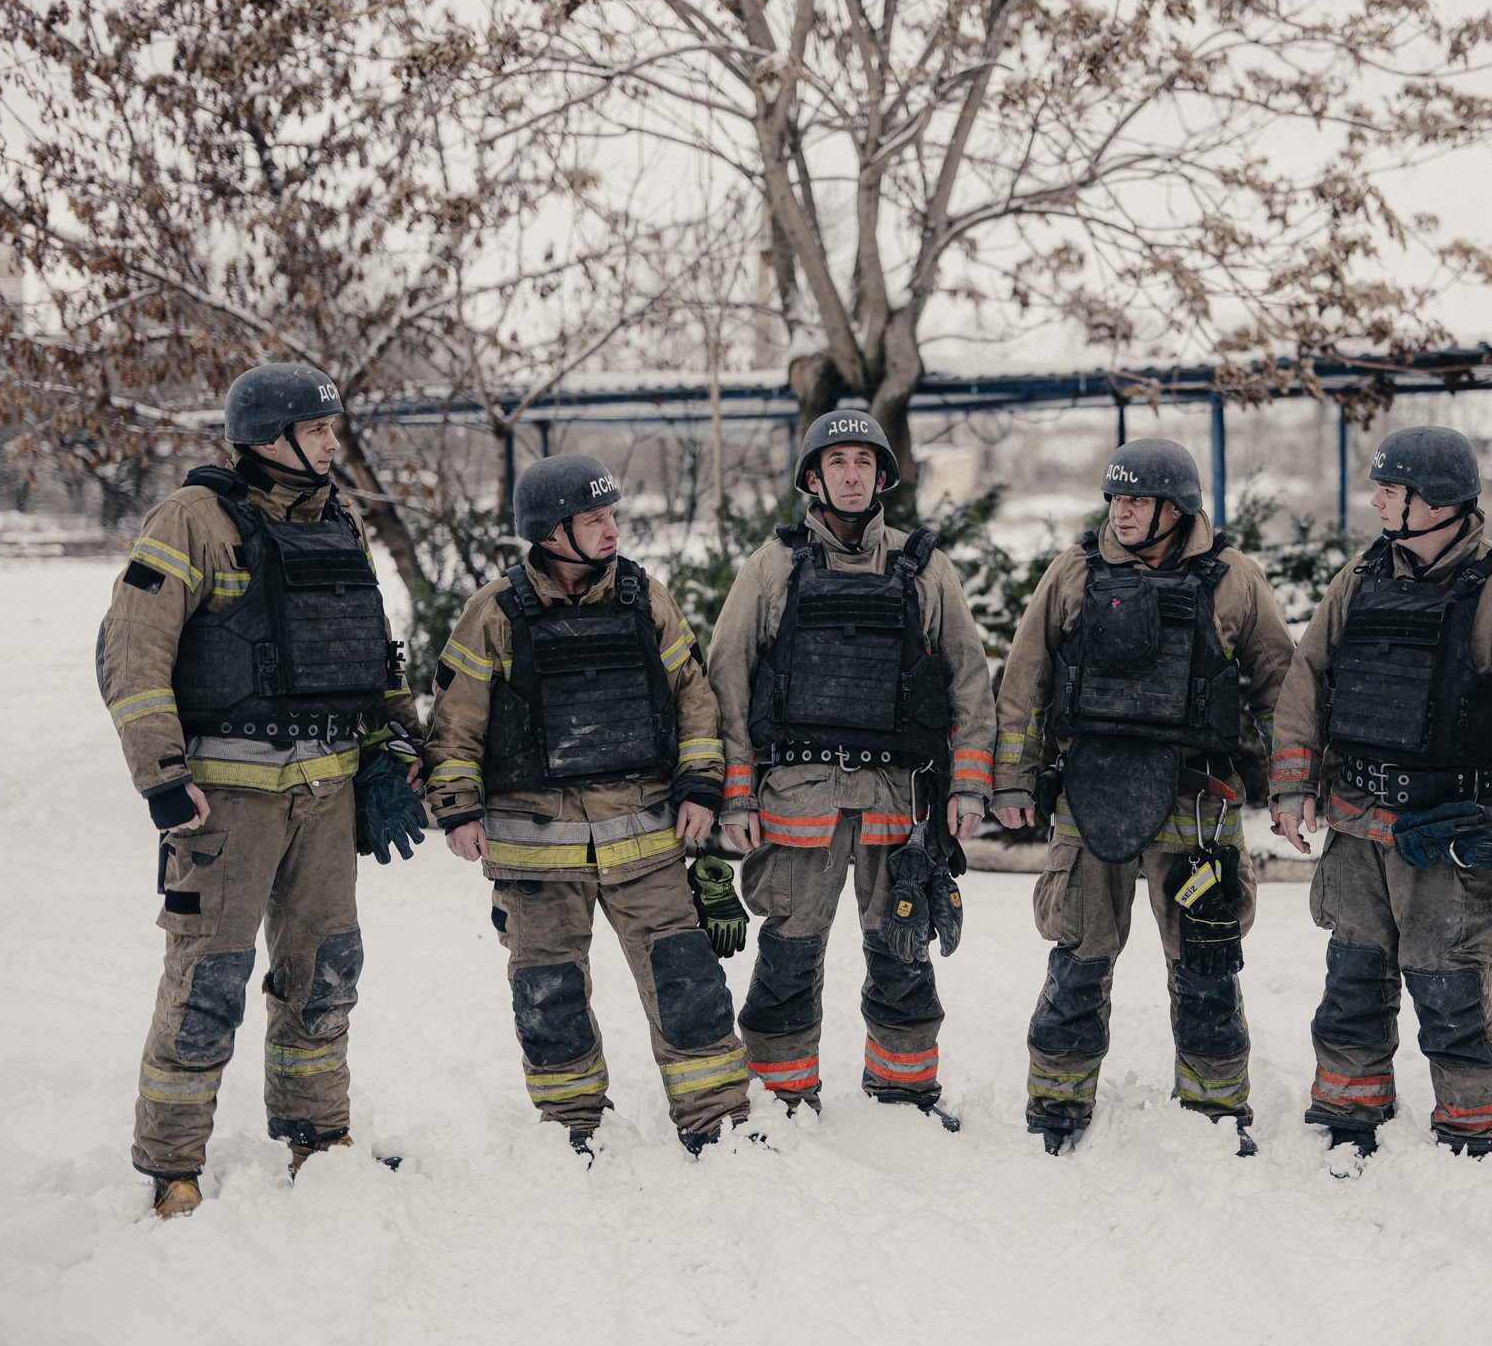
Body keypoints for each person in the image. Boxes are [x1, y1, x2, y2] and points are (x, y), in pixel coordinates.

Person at [98, 363, 428, 1219]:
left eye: (331, 429)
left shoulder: (342, 522)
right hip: (222, 804)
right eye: (318, 430)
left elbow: (371, 649)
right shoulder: (190, 522)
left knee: (326, 970)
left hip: (328, 794)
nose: (332, 443)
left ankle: (319, 1136)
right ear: (268, 438)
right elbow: (132, 658)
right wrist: (161, 780)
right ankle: (173, 1166)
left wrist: (398, 741)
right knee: (208, 976)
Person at [424, 454, 750, 1160]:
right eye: (594, 519)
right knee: (550, 993)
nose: (611, 530)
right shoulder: (495, 612)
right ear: (550, 532)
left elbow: (695, 697)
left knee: (688, 981)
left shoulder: (645, 597)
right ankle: (573, 1125)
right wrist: (457, 806)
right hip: (534, 849)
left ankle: (717, 1119)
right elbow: (456, 721)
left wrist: (700, 785)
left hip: (645, 838)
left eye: (612, 516)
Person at [1269, 427, 1492, 1164]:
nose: (1376, 500)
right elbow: (1307, 679)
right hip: (1358, 827)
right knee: (1354, 977)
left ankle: (1472, 1124)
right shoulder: (1362, 578)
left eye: (1391, 489)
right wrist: (1291, 784)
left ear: (1434, 500)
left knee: (1450, 984)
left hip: (1451, 832)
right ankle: (1349, 1107)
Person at [993, 438, 1293, 1156]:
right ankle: (1057, 1106)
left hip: (1198, 803)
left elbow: (1280, 686)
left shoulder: (1234, 580)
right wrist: (1010, 780)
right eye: (1115, 499)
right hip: (1088, 795)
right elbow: (1023, 684)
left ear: (1175, 508)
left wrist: (1292, 783)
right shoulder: (1073, 574)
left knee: (1207, 962)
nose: (1120, 512)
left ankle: (1216, 1110)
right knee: (1078, 953)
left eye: (1135, 500)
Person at [708, 411, 994, 1125]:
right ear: (813, 477)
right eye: (837, 462)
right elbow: (729, 678)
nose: (851, 473)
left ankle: (904, 1093)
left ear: (882, 476)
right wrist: (735, 795)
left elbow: (968, 677)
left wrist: (969, 783)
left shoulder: (923, 565)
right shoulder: (773, 566)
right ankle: (782, 1098)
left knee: (902, 949)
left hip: (896, 802)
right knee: (789, 954)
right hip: (797, 799)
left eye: (864, 462)